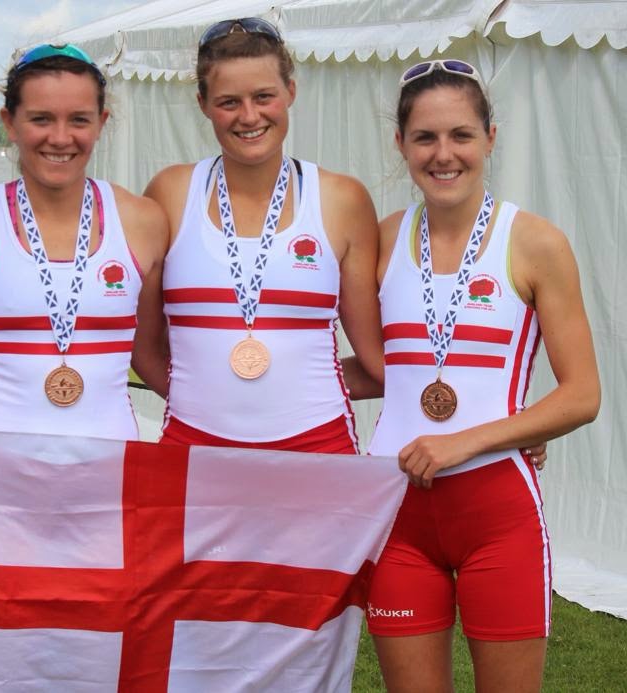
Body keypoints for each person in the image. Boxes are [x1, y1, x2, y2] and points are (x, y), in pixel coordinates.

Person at [364, 59, 600, 692]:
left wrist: (467, 440)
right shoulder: (380, 240)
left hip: (498, 514)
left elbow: (583, 394)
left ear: (490, 138)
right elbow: (383, 369)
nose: (444, 154)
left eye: (461, 135)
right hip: (396, 513)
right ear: (401, 143)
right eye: (425, 137)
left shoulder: (536, 243)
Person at [138, 18, 384, 452]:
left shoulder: (342, 200)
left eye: (264, 96)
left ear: (291, 91)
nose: (249, 116)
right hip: (193, 444)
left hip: (318, 446)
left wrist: (492, 421)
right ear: (203, 104)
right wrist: (202, 403)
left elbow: (376, 359)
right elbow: (142, 348)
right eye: (229, 102)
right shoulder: (171, 193)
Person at [0, 43, 167, 441]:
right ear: (9, 122)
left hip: (111, 465)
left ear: (101, 122)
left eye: (79, 120)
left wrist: (237, 424)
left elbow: (150, 357)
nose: (60, 138)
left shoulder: (143, 221)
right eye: (41, 119)